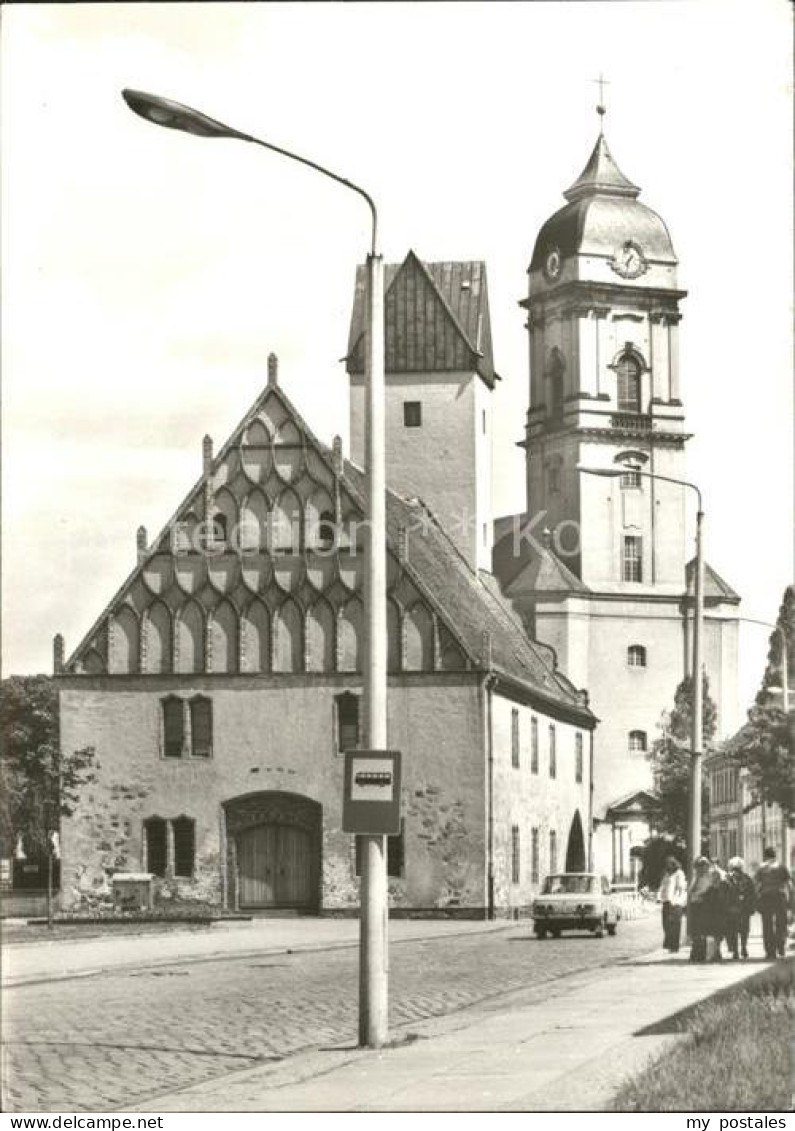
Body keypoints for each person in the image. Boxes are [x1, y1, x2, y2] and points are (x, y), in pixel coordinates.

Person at [756, 846, 792, 959]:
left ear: (765, 855)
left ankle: (770, 951)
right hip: (779, 896)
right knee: (781, 923)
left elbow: (756, 884)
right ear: (775, 855)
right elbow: (789, 884)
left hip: (766, 897)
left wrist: (757, 897)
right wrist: (790, 899)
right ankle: (780, 946)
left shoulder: (761, 868)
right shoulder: (781, 866)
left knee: (767, 924)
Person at [725, 856, 756, 959]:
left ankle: (736, 951)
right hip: (743, 908)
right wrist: (751, 907)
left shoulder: (727, 878)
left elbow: (724, 893)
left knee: (734, 930)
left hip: (733, 908)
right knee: (744, 930)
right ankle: (743, 947)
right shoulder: (747, 878)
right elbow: (752, 894)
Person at [687, 856, 715, 962]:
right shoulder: (695, 878)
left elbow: (709, 890)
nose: (701, 868)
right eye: (699, 866)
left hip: (705, 905)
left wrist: (699, 894)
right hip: (696, 905)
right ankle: (696, 953)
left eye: (703, 866)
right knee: (696, 930)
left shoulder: (710, 877)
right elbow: (690, 891)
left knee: (704, 930)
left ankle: (703, 953)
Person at [657, 856, 687, 952]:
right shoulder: (667, 874)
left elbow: (680, 888)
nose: (667, 866)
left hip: (675, 902)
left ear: (674, 864)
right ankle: (669, 944)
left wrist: (676, 900)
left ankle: (674, 946)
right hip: (666, 901)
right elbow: (662, 886)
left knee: (674, 925)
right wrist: (659, 897)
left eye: (669, 864)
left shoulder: (679, 873)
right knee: (666, 924)